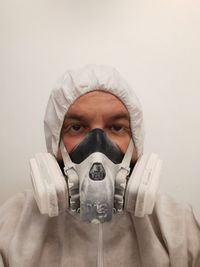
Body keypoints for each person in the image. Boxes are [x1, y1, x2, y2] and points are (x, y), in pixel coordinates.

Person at [0, 65, 200, 267]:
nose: (98, 146)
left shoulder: (179, 228)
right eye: (76, 127)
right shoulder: (11, 226)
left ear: (136, 145)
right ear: (55, 144)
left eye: (116, 127)